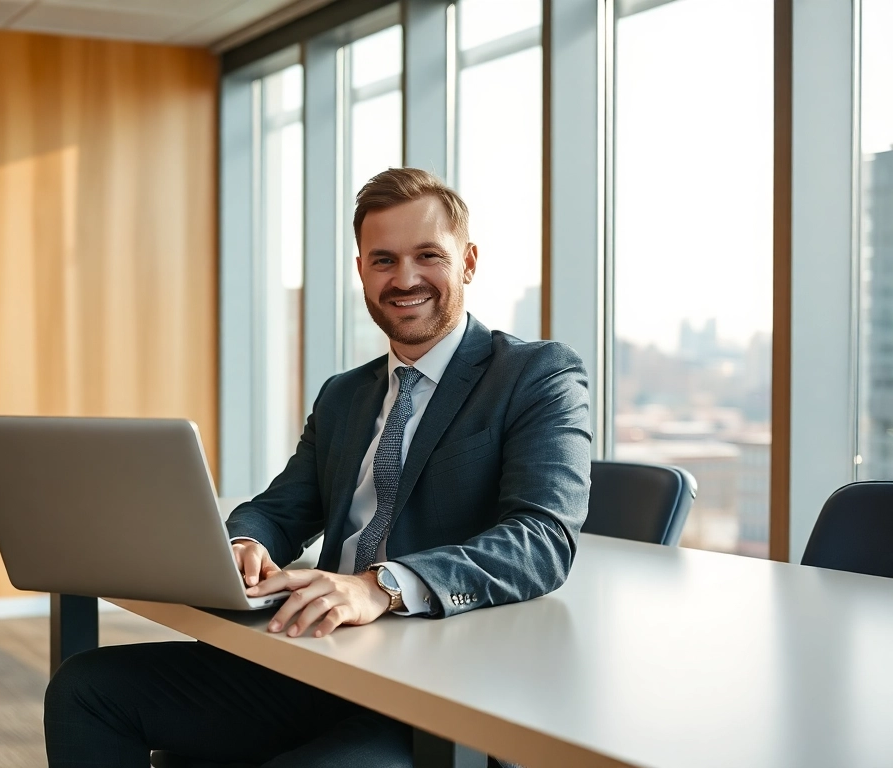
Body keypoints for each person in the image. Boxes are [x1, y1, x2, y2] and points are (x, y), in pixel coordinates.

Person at [44, 167, 592, 767]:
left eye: (428, 255)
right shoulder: (344, 394)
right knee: (85, 688)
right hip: (323, 658)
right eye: (383, 260)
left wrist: (381, 586)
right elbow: (284, 507)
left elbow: (543, 539)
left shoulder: (535, 375)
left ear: (468, 262)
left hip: (440, 689)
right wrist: (246, 543)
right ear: (361, 270)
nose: (405, 278)